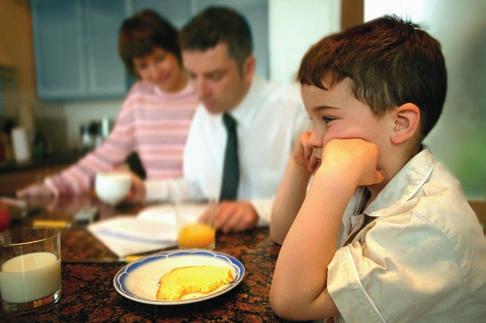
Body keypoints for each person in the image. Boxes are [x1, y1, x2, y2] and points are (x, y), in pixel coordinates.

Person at [269, 15, 486, 322]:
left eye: (328, 119)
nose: (314, 138)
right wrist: (298, 166)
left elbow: (292, 301)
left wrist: (331, 182)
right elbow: (283, 235)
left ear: (400, 124)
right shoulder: (364, 180)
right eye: (310, 119)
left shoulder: (426, 225)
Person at [138, 6, 308, 233]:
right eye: (192, 76)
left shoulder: (297, 109)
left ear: (248, 69)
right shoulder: (205, 113)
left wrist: (258, 210)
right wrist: (146, 191)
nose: (200, 91)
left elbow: (323, 196)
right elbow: (199, 187)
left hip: (279, 246)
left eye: (214, 76)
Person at [17, 9, 199, 198]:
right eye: (143, 66)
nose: (155, 72)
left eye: (160, 58)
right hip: (154, 208)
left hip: (199, 207)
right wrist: (51, 187)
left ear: (175, 49)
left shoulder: (203, 93)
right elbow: (105, 156)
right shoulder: (139, 97)